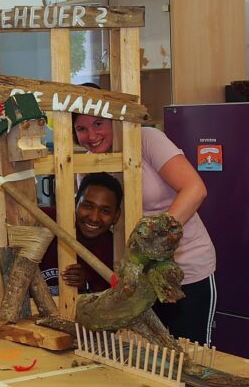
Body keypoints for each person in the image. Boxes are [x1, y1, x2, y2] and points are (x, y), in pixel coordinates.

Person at [72, 83, 216, 345]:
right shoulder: (85, 165)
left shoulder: (146, 138)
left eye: (98, 124)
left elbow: (195, 189)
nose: (91, 136)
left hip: (186, 273)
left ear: (114, 118)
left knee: (189, 356)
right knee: (147, 361)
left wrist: (152, 241)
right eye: (81, 129)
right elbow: (96, 226)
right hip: (136, 283)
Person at [39, 172, 122, 295]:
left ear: (116, 216)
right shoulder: (45, 220)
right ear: (75, 203)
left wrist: (85, 286)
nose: (94, 218)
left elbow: (111, 300)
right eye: (88, 206)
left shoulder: (114, 253)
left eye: (105, 211)